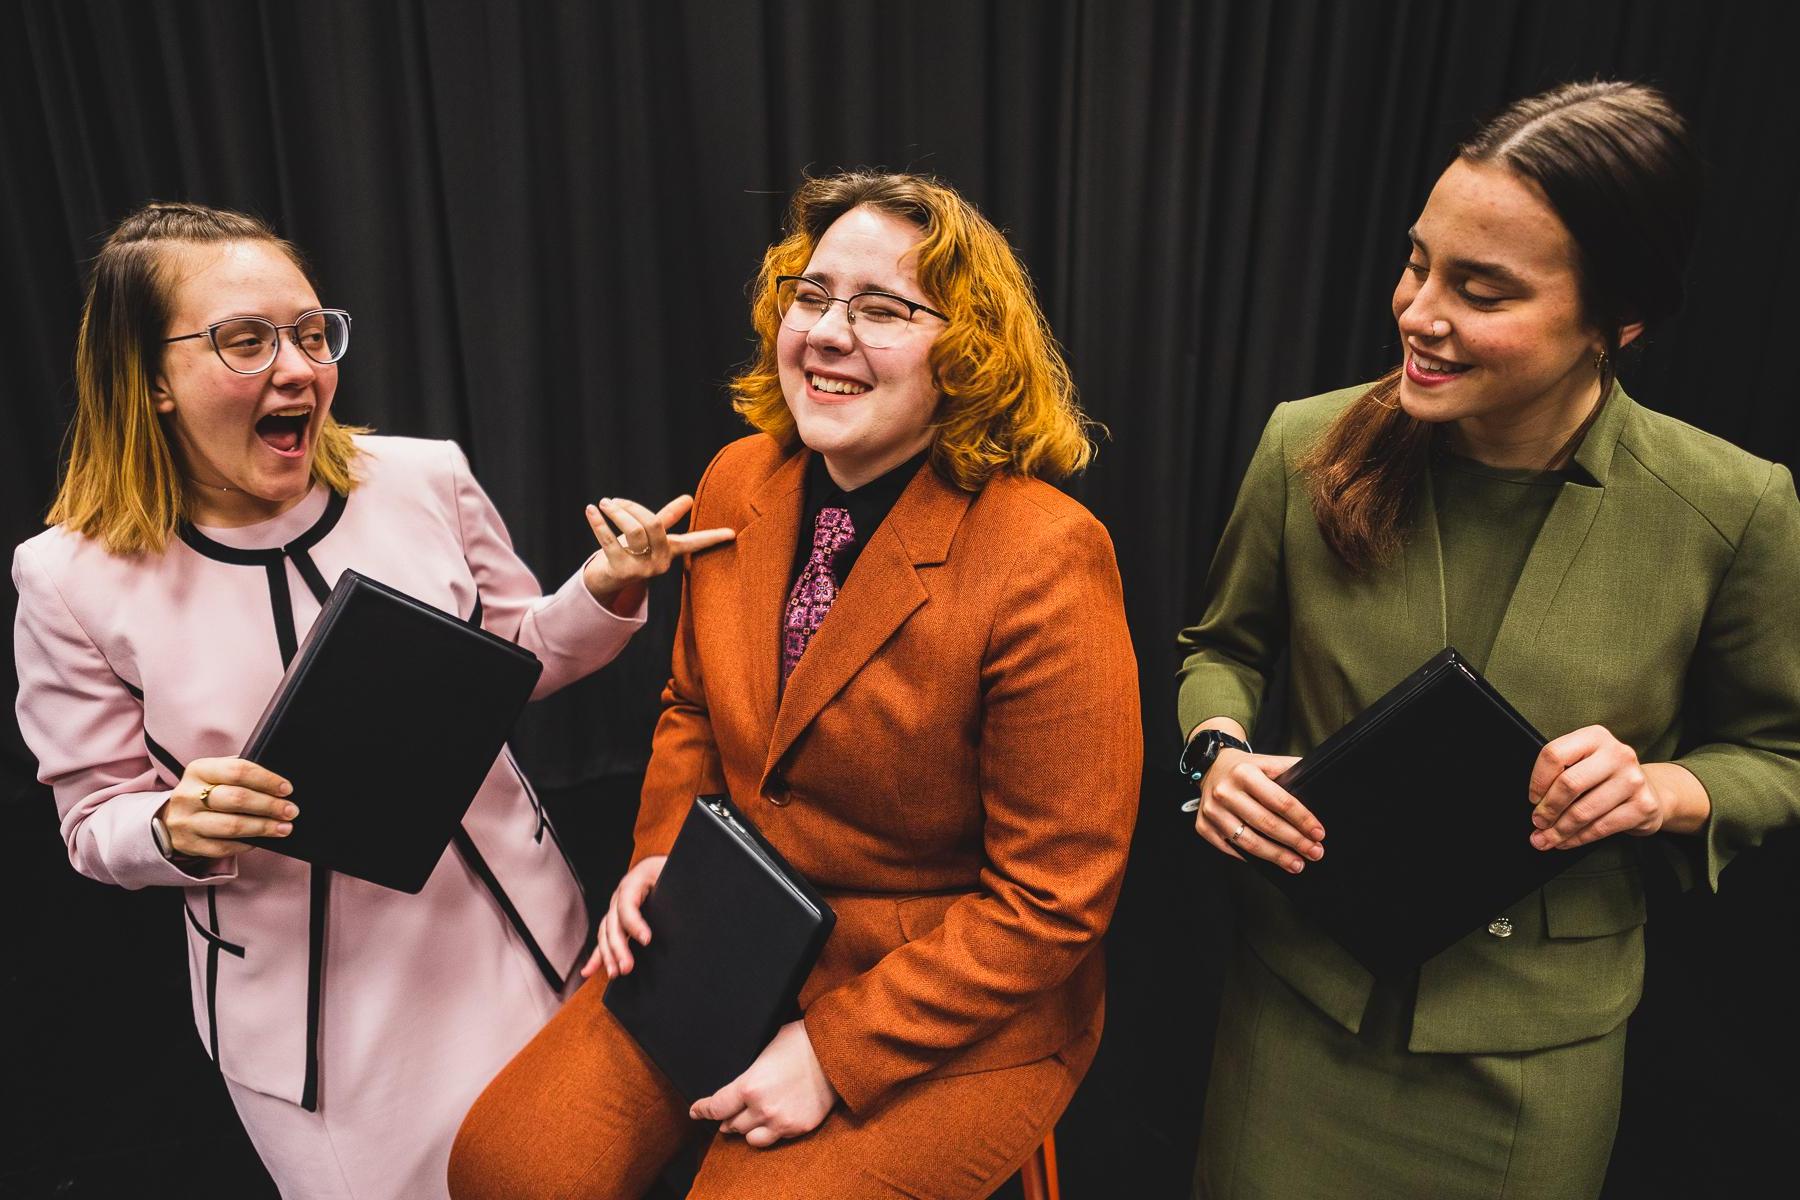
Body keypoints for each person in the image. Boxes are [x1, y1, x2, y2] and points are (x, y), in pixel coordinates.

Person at [11, 201, 733, 1199]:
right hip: (317, 1039)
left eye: (312, 333)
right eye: (246, 341)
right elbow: (91, 818)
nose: (299, 368)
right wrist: (173, 826)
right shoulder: (68, 578)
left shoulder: (423, 478)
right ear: (151, 380)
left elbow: (515, 656)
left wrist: (604, 588)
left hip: (518, 952)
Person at [448, 170, 1141, 1199]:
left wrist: (833, 1052)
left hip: (944, 987)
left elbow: (1053, 899)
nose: (825, 332)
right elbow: (691, 705)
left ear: (968, 349)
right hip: (731, 926)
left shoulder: (1046, 554)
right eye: (811, 296)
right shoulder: (742, 478)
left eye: (883, 309)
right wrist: (656, 859)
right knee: (506, 1170)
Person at [1176, 81, 1800, 1199]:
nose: (1419, 311)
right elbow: (1221, 647)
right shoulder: (1302, 445)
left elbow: (1778, 753)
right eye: (1418, 264)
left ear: (1618, 319)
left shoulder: (1735, 507)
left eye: (1483, 289)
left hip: (1532, 1065)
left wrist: (1662, 790)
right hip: (1298, 1023)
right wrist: (1212, 755)